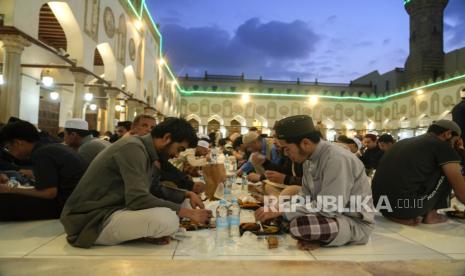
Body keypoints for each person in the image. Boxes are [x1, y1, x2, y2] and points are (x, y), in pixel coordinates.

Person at [60, 118, 212, 248]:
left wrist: (187, 193)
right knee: (167, 219)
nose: (177, 155)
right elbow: (138, 199)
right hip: (91, 219)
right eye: (179, 149)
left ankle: (142, 232)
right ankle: (142, 231)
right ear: (167, 138)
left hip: (115, 209)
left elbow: (154, 188)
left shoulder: (145, 150)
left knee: (184, 202)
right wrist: (189, 213)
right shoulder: (133, 148)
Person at [255, 115, 374, 249]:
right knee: (279, 214)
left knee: (300, 226)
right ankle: (319, 237)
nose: (286, 154)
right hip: (326, 216)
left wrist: (283, 210)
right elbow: (304, 197)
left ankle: (320, 235)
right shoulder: (309, 161)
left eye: (287, 149)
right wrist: (278, 208)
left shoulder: (336, 159)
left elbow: (330, 207)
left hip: (352, 222)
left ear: (305, 143)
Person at [372, 120, 465, 225]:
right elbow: (462, 195)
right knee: (448, 169)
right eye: (455, 141)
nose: (454, 146)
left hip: (380, 205)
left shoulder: (403, 142)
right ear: (447, 134)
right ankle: (431, 214)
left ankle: (398, 214)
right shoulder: (442, 146)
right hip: (404, 207)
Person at [0, 121, 87, 220]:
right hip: (77, 201)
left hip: (67, 205)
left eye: (8, 147)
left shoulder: (41, 154)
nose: (9, 152)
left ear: (17, 143)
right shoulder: (49, 147)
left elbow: (49, 193)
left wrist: (10, 190)